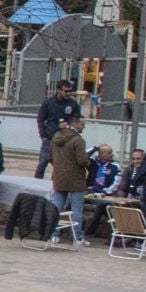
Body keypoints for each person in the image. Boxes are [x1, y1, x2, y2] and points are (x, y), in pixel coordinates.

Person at [45, 108, 90, 245]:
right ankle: (78, 237)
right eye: (82, 124)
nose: (84, 126)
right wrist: (89, 163)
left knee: (57, 207)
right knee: (76, 209)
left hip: (58, 177)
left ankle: (54, 234)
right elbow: (82, 160)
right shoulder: (78, 140)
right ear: (75, 123)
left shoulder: (56, 137)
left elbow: (50, 157)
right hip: (76, 179)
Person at [33, 79, 80, 178]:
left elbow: (77, 120)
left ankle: (55, 186)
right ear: (59, 90)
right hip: (49, 138)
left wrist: (69, 126)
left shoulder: (73, 104)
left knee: (60, 166)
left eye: (70, 91)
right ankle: (36, 184)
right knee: (42, 164)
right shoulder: (48, 102)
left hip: (64, 140)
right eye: (66, 91)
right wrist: (43, 135)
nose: (68, 93)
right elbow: (41, 119)